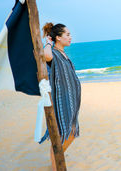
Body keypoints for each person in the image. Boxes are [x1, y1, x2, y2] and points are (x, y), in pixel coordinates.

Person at [42, 22, 81, 153]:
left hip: (71, 102)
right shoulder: (54, 53)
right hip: (61, 102)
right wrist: (48, 42)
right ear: (58, 37)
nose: (70, 37)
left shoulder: (63, 54)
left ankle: (58, 158)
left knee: (72, 132)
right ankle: (56, 161)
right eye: (67, 34)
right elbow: (46, 56)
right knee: (63, 135)